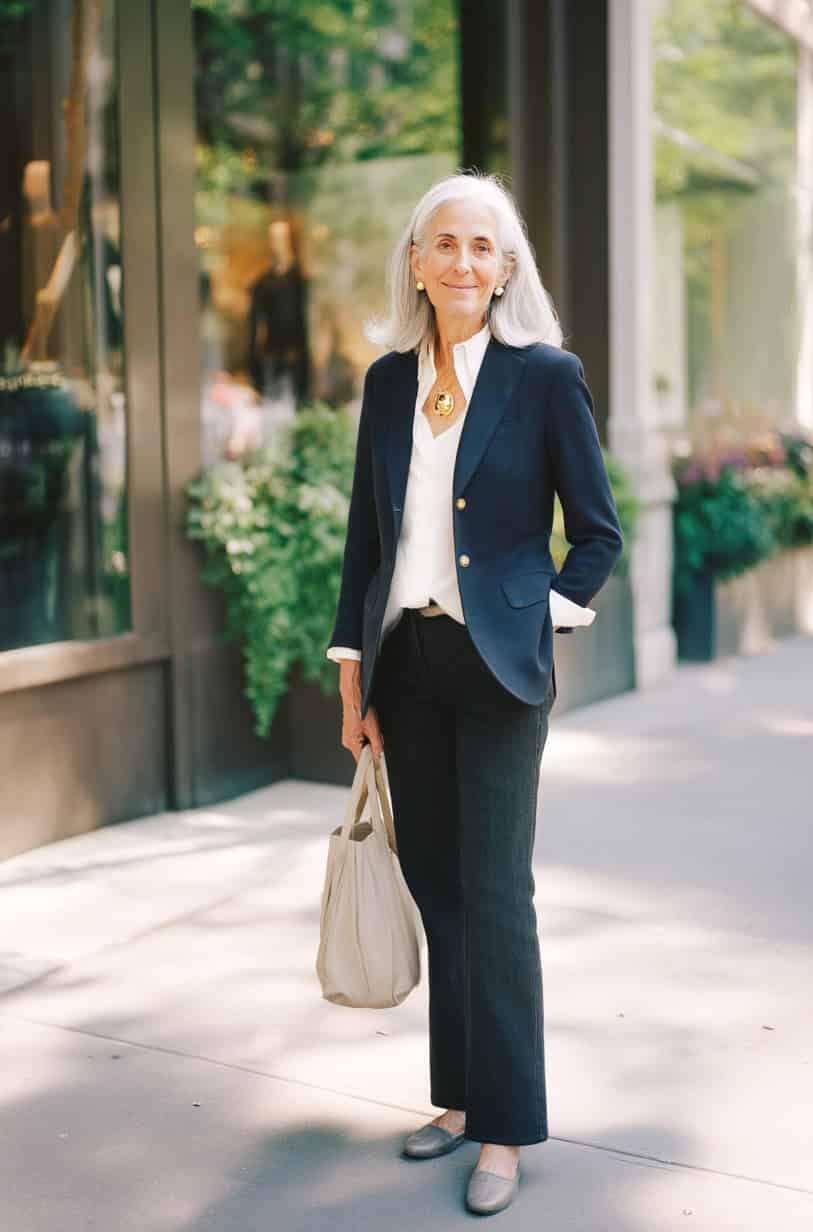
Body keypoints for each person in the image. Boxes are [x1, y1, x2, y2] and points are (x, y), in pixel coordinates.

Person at [326, 171, 623, 1216]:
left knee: (496, 898)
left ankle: (504, 1124)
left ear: (504, 269)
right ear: (416, 259)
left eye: (480, 247)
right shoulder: (382, 381)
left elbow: (597, 533)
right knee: (440, 888)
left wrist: (536, 609)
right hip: (405, 665)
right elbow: (368, 538)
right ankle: (454, 1097)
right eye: (442, 244)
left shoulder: (544, 376)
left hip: (498, 670)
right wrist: (352, 673)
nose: (461, 262)